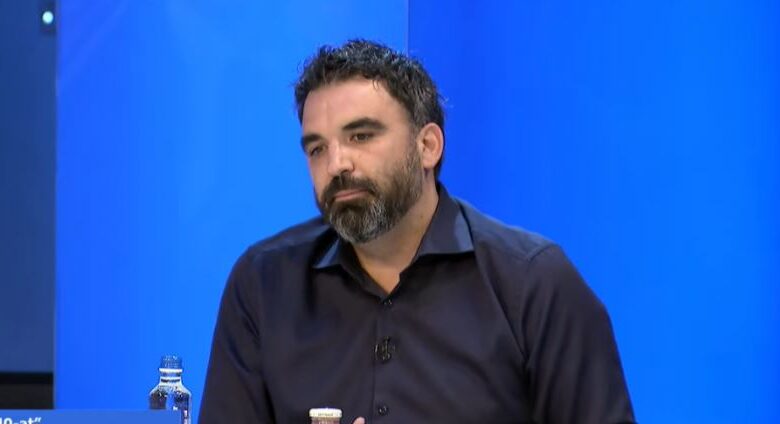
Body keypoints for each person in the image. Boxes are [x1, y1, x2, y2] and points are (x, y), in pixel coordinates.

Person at [200, 39, 636, 424]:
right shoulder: (263, 284)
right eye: (317, 148)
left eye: (361, 136)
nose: (337, 164)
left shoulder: (533, 283)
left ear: (428, 146)